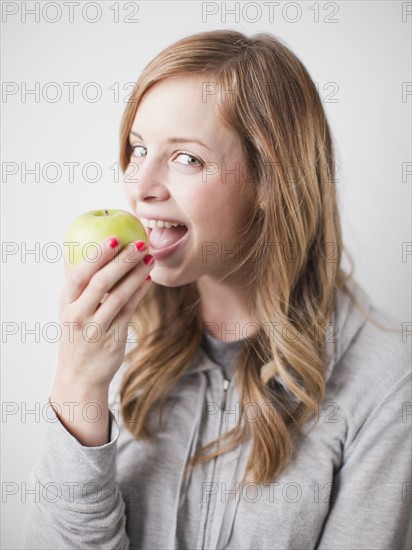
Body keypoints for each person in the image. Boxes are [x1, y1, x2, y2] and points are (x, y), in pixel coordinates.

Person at [23, 30, 411, 549]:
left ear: (271, 180)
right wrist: (78, 388)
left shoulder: (384, 386)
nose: (140, 186)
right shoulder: (116, 343)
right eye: (138, 149)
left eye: (187, 158)